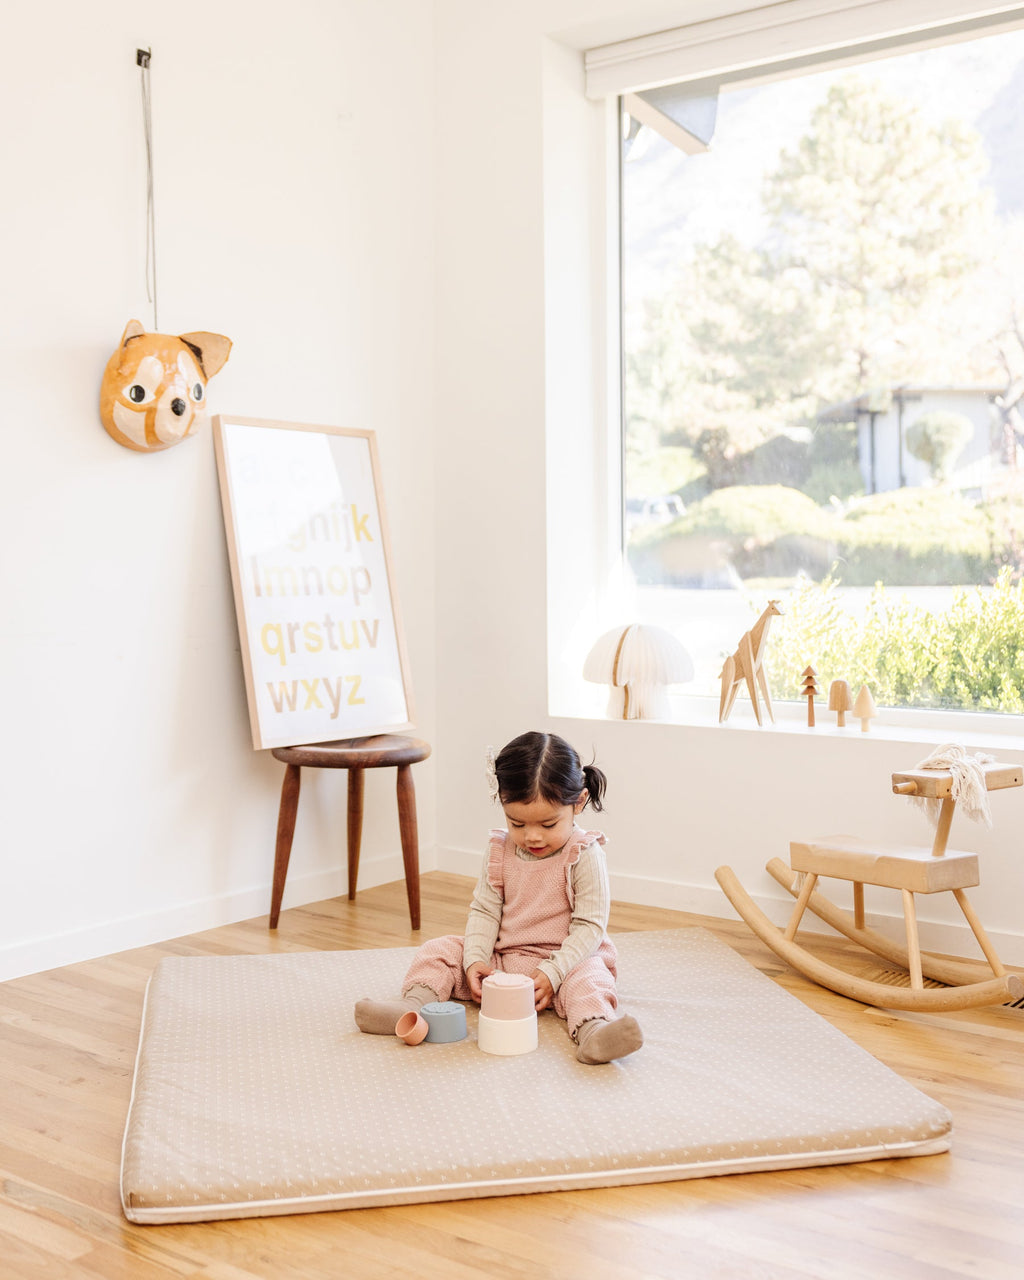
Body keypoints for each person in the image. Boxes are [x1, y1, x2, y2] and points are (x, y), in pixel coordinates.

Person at [355, 731, 643, 1065]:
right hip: (504, 961)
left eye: (549, 824)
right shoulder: (500, 849)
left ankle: (594, 1031)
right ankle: (412, 1007)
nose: (531, 836)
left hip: (567, 965)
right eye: (516, 823)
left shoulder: (584, 853)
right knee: (441, 950)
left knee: (590, 981)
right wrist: (476, 960)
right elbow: (485, 910)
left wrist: (553, 973)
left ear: (578, 802)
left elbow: (589, 927)